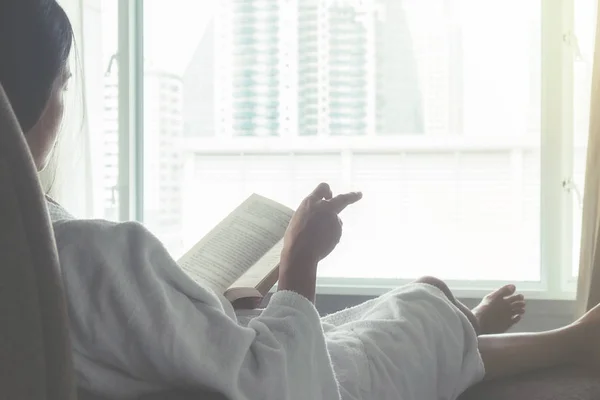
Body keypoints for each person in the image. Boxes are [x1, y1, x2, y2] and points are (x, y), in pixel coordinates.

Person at [2, 1, 598, 400]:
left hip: (191, 362)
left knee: (413, 300)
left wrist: (207, 300)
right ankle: (564, 342)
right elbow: (284, 385)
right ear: (34, 103)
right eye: (64, 85)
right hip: (283, 381)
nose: (64, 105)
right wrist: (300, 262)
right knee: (420, 314)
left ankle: (460, 324)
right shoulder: (89, 254)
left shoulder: (33, 251)